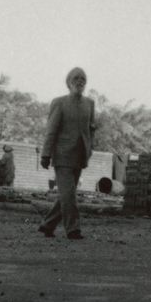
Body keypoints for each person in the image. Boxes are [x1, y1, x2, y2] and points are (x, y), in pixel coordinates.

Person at [37, 67, 95, 240]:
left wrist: (89, 148)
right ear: (69, 82)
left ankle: (47, 225)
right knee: (69, 194)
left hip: (80, 156)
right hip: (62, 155)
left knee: (66, 195)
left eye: (83, 79)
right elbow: (51, 130)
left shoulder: (90, 104)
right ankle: (73, 229)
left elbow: (91, 129)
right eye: (76, 78)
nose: (80, 81)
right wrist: (46, 154)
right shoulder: (59, 102)